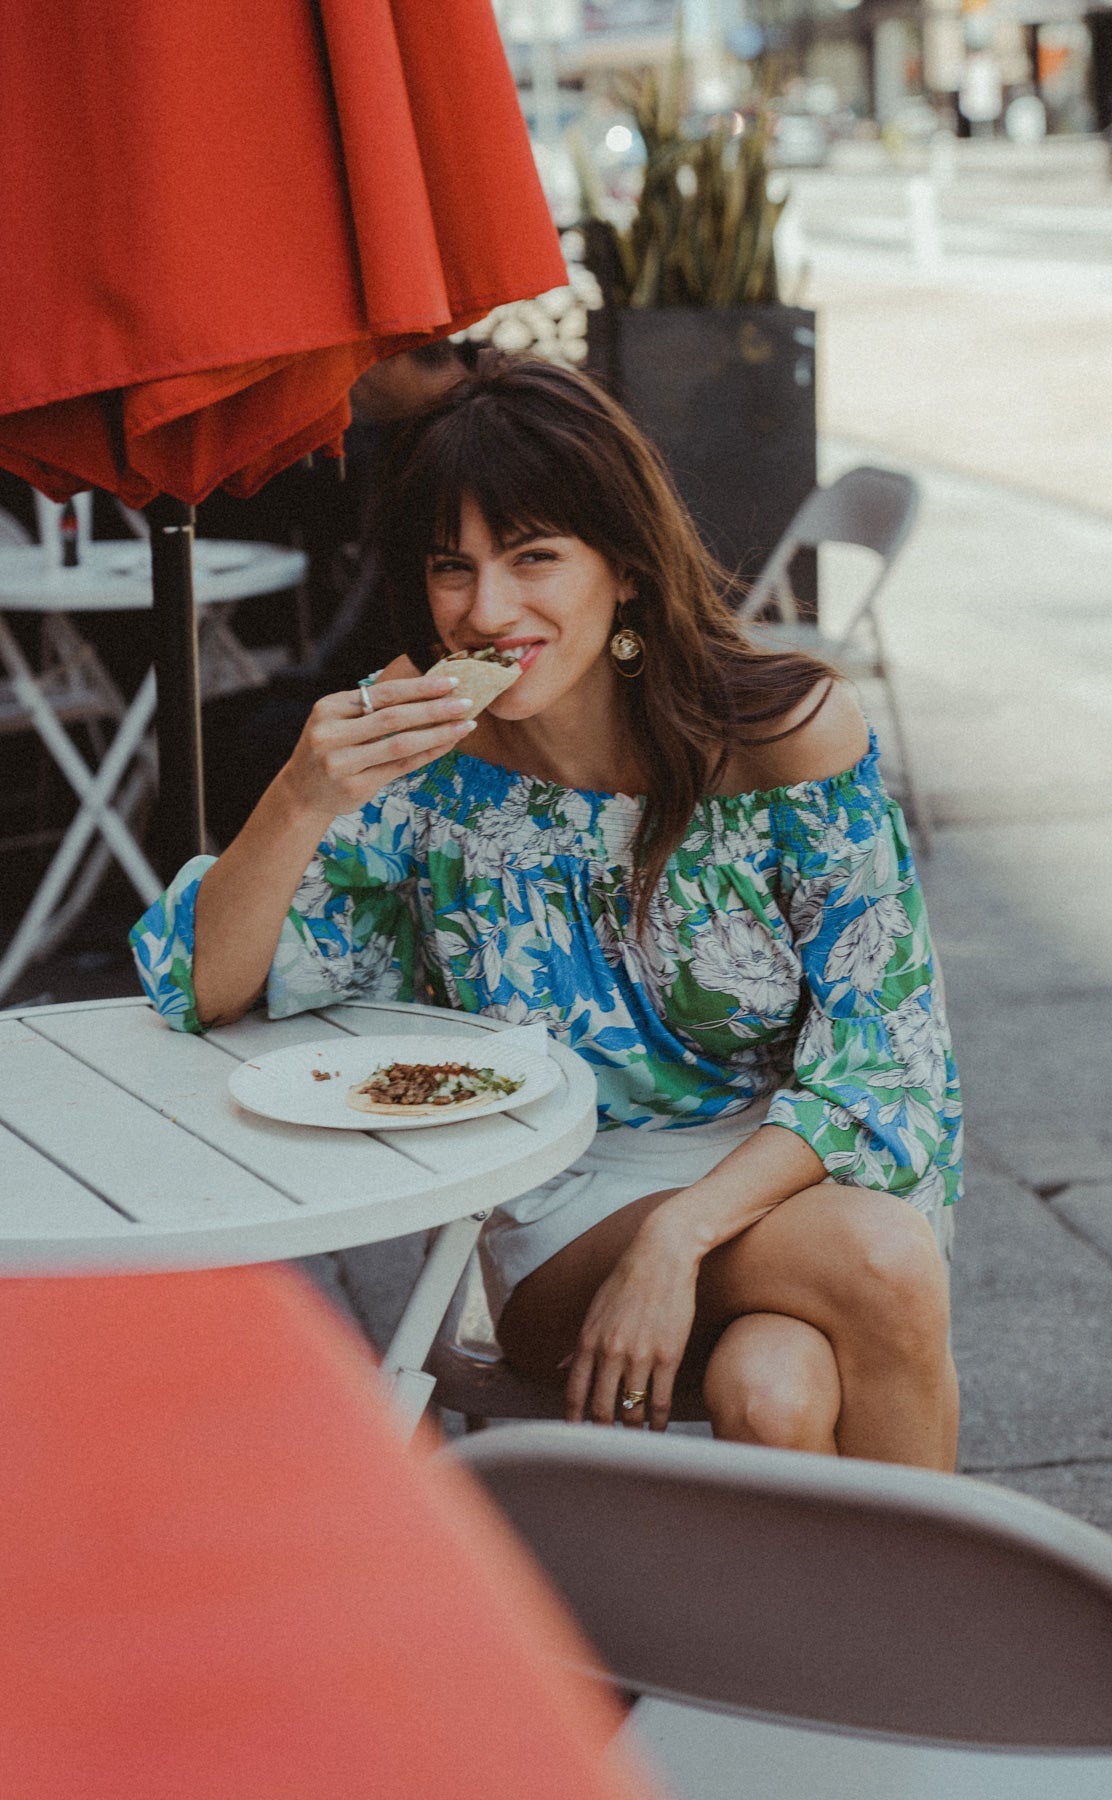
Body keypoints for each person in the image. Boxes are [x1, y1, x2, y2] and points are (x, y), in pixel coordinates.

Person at [131, 353, 963, 1468]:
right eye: (451, 568)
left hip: (793, 1165)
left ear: (623, 567)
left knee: (774, 1386)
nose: (486, 611)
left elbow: (887, 1063)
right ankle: (959, 1640)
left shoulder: (787, 735)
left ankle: (786, 1644)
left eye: (534, 558)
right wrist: (298, 799)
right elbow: (201, 986)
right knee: (885, 1263)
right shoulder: (422, 745)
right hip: (565, 1205)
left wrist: (680, 1233)